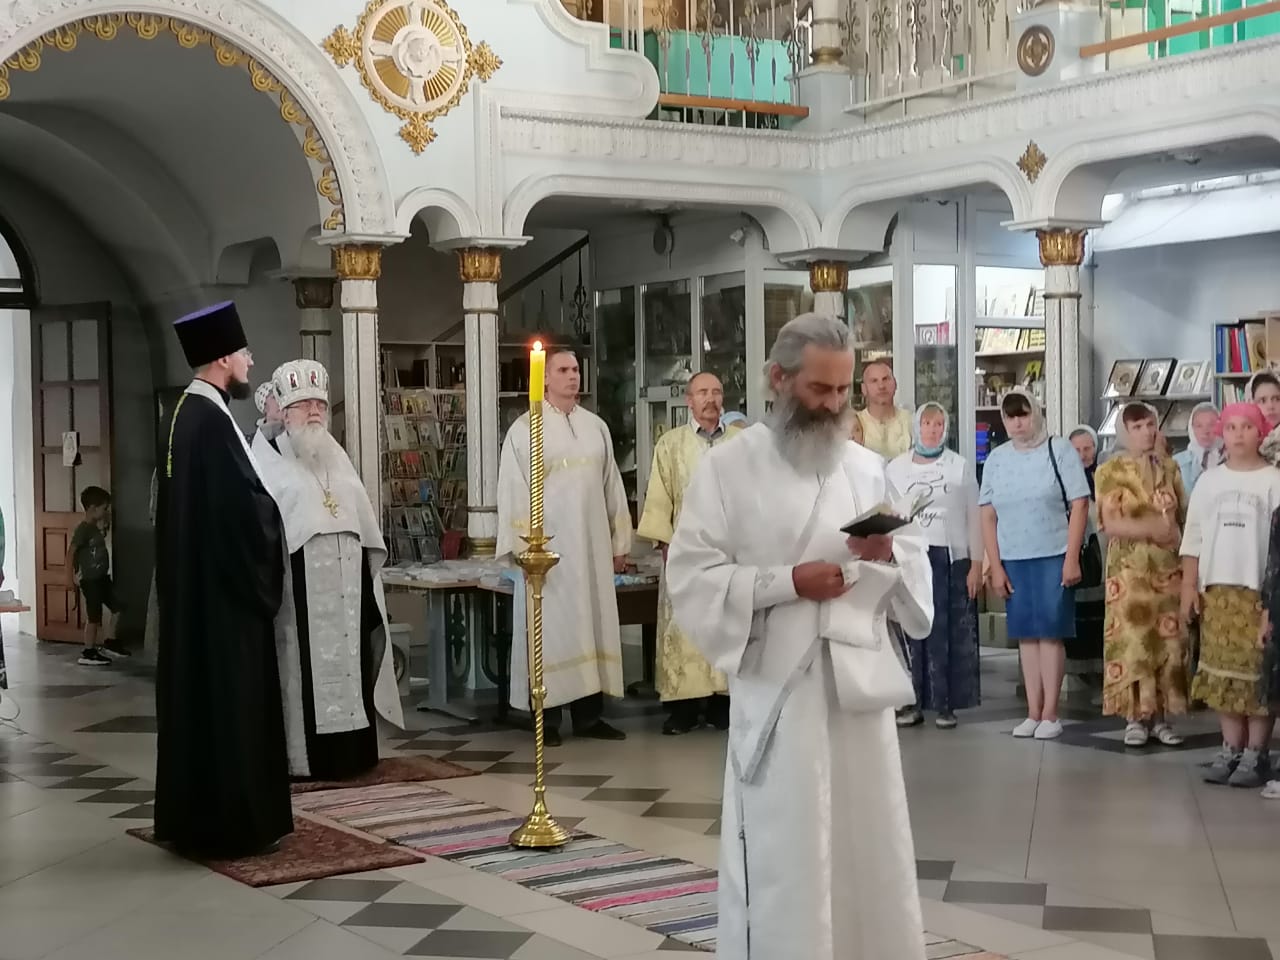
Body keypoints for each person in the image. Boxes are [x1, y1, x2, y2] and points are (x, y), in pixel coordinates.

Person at [667, 312, 933, 960]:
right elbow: (693, 577)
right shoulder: (729, 467)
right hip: (780, 693)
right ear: (778, 379)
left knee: (869, 843)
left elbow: (912, 568)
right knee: (787, 852)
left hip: (857, 693)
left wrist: (886, 554)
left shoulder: (867, 468)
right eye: (820, 389)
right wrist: (790, 581)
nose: (836, 405)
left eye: (843, 390)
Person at [154, 301, 293, 858]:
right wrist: (275, 515)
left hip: (199, 593)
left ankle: (196, 818)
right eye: (243, 353)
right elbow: (242, 511)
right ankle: (235, 823)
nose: (250, 361)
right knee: (232, 706)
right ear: (220, 359)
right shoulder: (210, 421)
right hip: (225, 603)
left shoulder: (185, 413)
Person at [252, 360, 403, 780]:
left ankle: (354, 753)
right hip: (300, 587)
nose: (315, 412)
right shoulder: (267, 460)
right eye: (304, 405)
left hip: (348, 585)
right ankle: (310, 759)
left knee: (353, 661)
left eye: (319, 404)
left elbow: (361, 519)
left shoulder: (337, 457)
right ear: (285, 413)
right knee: (306, 670)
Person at [497, 343, 631, 745]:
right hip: (548, 554)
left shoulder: (595, 426)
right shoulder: (525, 430)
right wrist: (525, 550)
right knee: (550, 631)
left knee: (592, 624)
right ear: (544, 378)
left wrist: (619, 542)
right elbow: (513, 491)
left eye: (575, 370)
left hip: (591, 547)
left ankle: (590, 716)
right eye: (563, 370)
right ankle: (548, 720)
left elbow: (612, 486)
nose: (573, 376)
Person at [980, 389, 1089, 741]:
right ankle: (1032, 711)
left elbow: (1080, 503)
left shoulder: (1060, 450)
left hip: (1053, 553)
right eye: (1010, 416)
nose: (1017, 423)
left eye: (1023, 414)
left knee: (1050, 633)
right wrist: (995, 565)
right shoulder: (996, 459)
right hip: (1014, 556)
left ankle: (1051, 713)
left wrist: (1071, 557)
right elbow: (987, 514)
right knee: (1026, 635)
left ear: (1036, 413)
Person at [637, 371, 742, 735]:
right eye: (702, 392)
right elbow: (659, 496)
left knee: (726, 622)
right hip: (685, 550)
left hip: (730, 551)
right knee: (684, 626)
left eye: (716, 392)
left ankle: (723, 704)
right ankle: (681, 708)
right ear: (689, 400)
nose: (710, 399)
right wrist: (665, 544)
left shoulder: (741, 443)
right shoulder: (671, 444)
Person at [1182, 402, 1280, 788]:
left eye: (1247, 427)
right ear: (1222, 433)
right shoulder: (1209, 481)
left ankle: (1257, 751)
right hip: (1217, 591)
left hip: (1259, 592)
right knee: (1222, 674)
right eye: (1231, 427)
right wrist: (1189, 586)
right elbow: (1193, 536)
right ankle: (1231, 747)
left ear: (1261, 433)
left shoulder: (1273, 480)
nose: (1238, 434)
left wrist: (1272, 603)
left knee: (1257, 675)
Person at [1095, 403, 1188, 747]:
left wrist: (1173, 534)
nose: (1146, 432)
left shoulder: (1170, 468)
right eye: (1137, 427)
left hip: (1167, 570)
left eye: (1150, 424)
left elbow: (1182, 517)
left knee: (1167, 643)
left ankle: (1161, 717)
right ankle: (1135, 717)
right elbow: (1111, 523)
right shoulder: (1110, 470)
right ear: (1125, 432)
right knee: (1133, 642)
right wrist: (1152, 530)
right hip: (1129, 573)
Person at [887, 402, 982, 729]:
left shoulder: (959, 466)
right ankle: (909, 702)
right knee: (910, 628)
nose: (932, 430)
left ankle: (945, 703)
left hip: (949, 558)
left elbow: (974, 515)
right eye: (927, 423)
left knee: (945, 630)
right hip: (909, 556)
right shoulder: (896, 468)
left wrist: (976, 562)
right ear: (917, 426)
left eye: (938, 424)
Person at [1067, 424, 1104, 692]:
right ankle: (1079, 671)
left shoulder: (1104, 476)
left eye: (1087, 448)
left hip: (1102, 551)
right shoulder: (1063, 478)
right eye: (1077, 450)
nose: (1082, 455)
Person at [65, 486, 114, 666]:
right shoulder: (83, 529)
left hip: (102, 578)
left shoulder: (95, 528)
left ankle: (110, 642)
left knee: (118, 605)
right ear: (93, 508)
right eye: (104, 508)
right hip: (90, 580)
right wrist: (69, 578)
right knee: (94, 616)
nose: (106, 512)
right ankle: (88, 651)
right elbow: (71, 553)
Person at [854, 359, 913, 459]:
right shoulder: (855, 423)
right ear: (863, 389)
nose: (881, 386)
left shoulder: (910, 421)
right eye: (874, 381)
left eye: (885, 379)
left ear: (895, 384)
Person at [1174, 402, 1222, 496]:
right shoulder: (1177, 462)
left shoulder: (1231, 459)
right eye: (1199, 426)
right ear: (1191, 428)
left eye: (1211, 425)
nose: (1205, 431)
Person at [255, 379, 285, 446]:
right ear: (264, 406)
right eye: (274, 397)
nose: (281, 401)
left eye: (281, 396)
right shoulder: (258, 441)